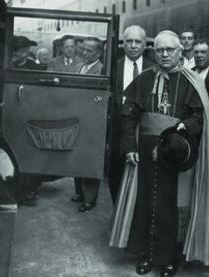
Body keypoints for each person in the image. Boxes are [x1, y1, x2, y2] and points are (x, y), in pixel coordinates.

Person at [115, 30, 209, 277]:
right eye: (159, 50)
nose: (164, 54)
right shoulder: (144, 79)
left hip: (177, 154)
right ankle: (147, 255)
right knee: (146, 203)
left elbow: (199, 117)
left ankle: (170, 258)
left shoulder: (193, 80)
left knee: (173, 207)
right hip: (144, 153)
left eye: (169, 50)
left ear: (180, 52)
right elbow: (129, 116)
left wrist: (185, 127)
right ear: (153, 51)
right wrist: (129, 147)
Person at [108, 25, 153, 204]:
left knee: (143, 180)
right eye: (129, 41)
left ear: (144, 45)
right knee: (116, 177)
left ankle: (135, 224)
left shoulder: (154, 69)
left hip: (144, 132)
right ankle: (118, 222)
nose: (133, 46)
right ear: (123, 44)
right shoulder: (112, 67)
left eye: (137, 42)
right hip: (116, 133)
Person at [73, 36, 104, 212]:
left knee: (90, 160)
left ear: (98, 53)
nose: (84, 53)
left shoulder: (101, 70)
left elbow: (100, 97)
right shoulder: (79, 67)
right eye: (83, 49)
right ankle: (80, 193)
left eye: (89, 50)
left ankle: (90, 199)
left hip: (92, 122)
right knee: (77, 157)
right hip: (77, 119)